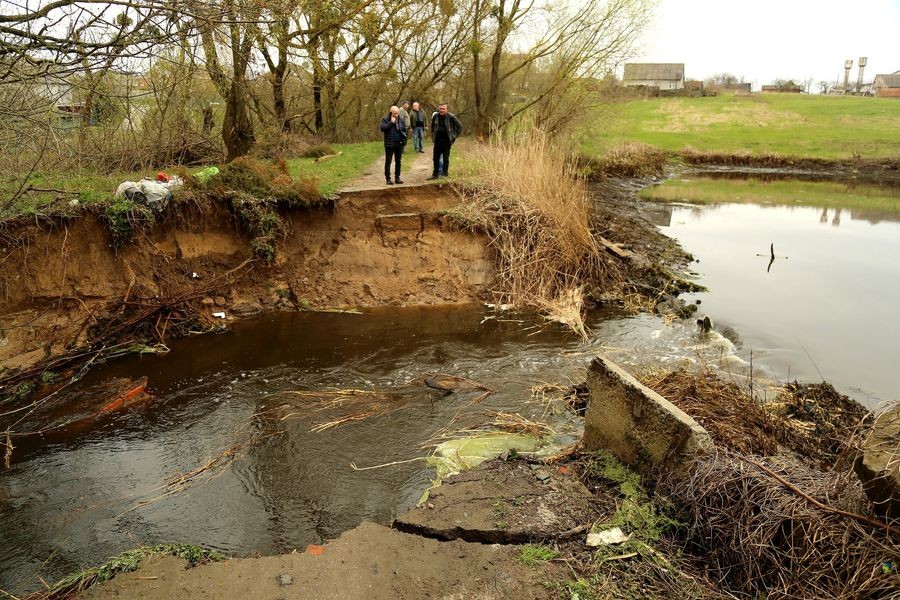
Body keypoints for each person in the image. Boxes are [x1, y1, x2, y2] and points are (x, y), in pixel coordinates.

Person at [428, 102, 462, 179]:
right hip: (437, 140)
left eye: (443, 108)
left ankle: (445, 174)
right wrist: (433, 135)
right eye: (440, 108)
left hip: (447, 141)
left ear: (447, 109)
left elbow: (460, 126)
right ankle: (435, 174)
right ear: (438, 108)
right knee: (435, 158)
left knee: (445, 158)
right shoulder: (435, 116)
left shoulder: (451, 117)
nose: (442, 110)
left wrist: (454, 136)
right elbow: (432, 126)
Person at [380, 105, 406, 185]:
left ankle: (397, 177)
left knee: (398, 161)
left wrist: (403, 140)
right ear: (391, 112)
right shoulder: (385, 119)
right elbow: (382, 128)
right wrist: (391, 122)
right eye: (395, 113)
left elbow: (403, 130)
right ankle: (388, 178)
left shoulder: (400, 119)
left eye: (397, 113)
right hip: (389, 144)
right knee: (388, 161)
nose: (396, 115)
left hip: (399, 144)